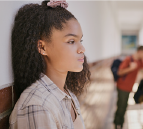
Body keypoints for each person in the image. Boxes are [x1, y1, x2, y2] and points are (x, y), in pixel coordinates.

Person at [9, 0, 91, 129]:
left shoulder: (68, 96)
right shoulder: (38, 105)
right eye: (71, 41)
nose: (82, 49)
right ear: (42, 47)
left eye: (80, 40)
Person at [114, 46, 143, 129]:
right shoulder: (128, 59)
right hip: (122, 87)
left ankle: (120, 123)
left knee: (124, 106)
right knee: (121, 106)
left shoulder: (139, 61)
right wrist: (130, 68)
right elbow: (119, 72)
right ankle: (117, 124)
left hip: (129, 87)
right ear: (140, 52)